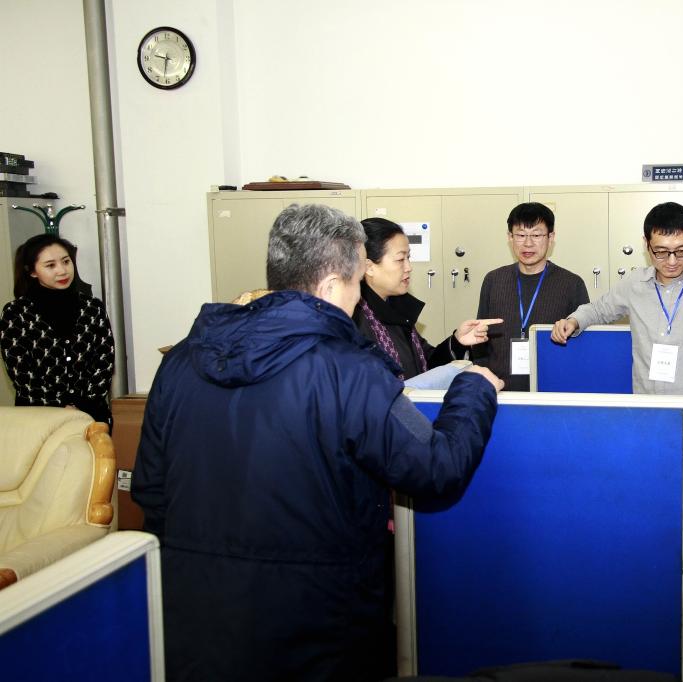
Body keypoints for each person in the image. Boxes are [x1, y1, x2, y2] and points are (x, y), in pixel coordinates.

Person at [131, 203, 504, 682]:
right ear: (330, 287)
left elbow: (151, 491)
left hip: (197, 621)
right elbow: (436, 467)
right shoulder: (349, 371)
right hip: (317, 623)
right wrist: (472, 387)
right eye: (356, 284)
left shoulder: (181, 361)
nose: (358, 300)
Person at [551, 202, 683, 395]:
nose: (672, 261)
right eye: (661, 252)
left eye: (682, 251)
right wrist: (573, 321)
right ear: (646, 244)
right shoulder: (635, 283)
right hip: (652, 403)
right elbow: (599, 309)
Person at [355, 217, 500, 381]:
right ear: (369, 267)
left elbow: (427, 364)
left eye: (409, 258)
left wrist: (457, 341)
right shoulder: (355, 320)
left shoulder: (397, 309)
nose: (409, 267)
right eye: (400, 259)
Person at [475, 202, 590, 391]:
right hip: (499, 391)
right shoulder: (493, 280)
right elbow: (480, 340)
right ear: (510, 237)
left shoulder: (572, 284)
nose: (528, 243)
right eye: (520, 235)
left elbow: (583, 345)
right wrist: (484, 383)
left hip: (552, 392)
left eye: (536, 235)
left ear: (551, 237)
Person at [0, 233, 114, 424]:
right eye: (50, 265)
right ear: (32, 271)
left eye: (66, 262)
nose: (62, 271)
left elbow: (104, 360)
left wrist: (81, 405)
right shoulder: (16, 312)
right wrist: (61, 406)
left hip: (91, 414)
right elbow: (22, 373)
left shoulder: (92, 307)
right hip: (39, 417)